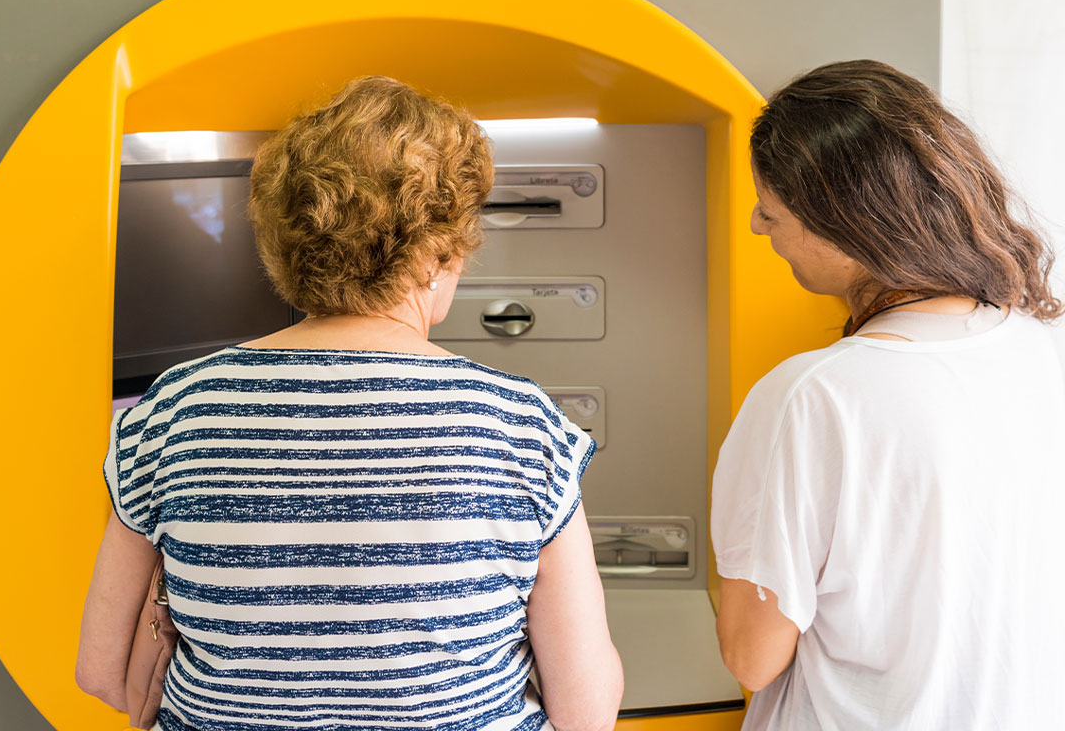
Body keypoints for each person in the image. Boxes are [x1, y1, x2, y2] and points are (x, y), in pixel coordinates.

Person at [76, 76, 623, 731]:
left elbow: (102, 672)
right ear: (437, 255)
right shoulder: (521, 425)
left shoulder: (175, 409)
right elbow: (586, 712)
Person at [711, 60, 1065, 730]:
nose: (758, 225)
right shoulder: (1029, 344)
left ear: (845, 226)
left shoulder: (811, 396)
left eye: (771, 210)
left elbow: (751, 658)